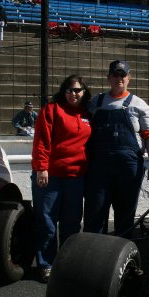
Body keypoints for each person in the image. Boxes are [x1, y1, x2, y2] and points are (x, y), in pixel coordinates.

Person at [84, 60, 149, 238]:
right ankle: (93, 253)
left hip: (129, 167)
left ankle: (121, 253)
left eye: (122, 75)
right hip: (99, 167)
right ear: (108, 77)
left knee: (125, 212)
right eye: (115, 75)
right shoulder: (96, 102)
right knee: (95, 210)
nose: (119, 78)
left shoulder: (139, 105)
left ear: (129, 78)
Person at [31, 75, 92, 282]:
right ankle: (46, 264)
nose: (73, 94)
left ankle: (66, 264)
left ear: (84, 92)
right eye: (69, 90)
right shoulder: (51, 110)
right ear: (62, 91)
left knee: (72, 223)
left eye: (77, 90)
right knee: (47, 222)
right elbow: (41, 140)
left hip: (76, 177)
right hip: (51, 176)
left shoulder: (88, 114)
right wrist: (41, 168)